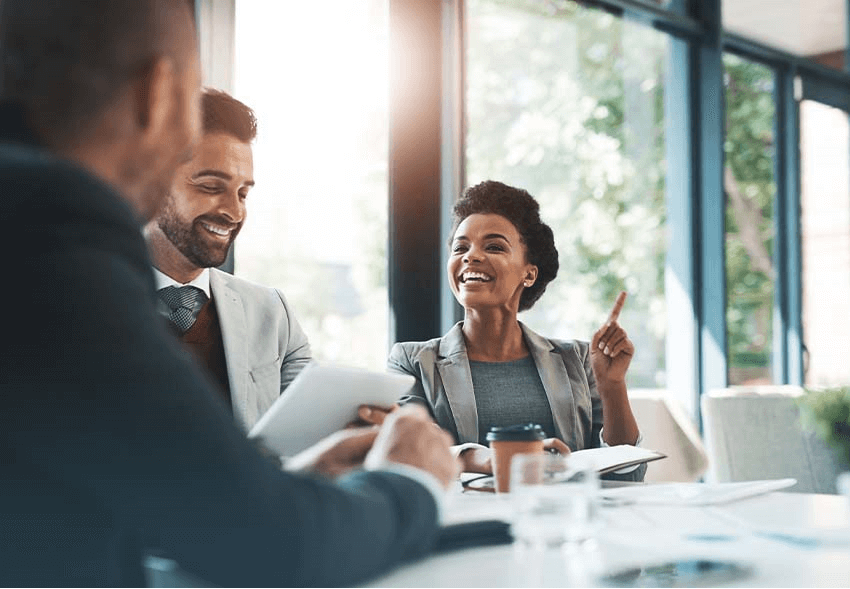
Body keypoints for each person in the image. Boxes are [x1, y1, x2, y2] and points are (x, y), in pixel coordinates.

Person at [0, 0, 456, 586]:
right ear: (160, 94)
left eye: (245, 190)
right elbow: (276, 547)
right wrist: (411, 481)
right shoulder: (53, 240)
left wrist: (273, 484)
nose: (233, 208)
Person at [388, 180, 645, 481]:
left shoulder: (578, 358)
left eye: (494, 246)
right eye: (461, 247)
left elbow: (626, 476)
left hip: (560, 519)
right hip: (466, 523)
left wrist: (612, 385)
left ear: (529, 273)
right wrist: (501, 460)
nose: (471, 256)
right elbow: (414, 449)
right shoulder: (411, 362)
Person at [145, 89, 310, 431]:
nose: (234, 212)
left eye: (243, 193)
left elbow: (312, 436)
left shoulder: (274, 314)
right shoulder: (81, 303)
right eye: (210, 186)